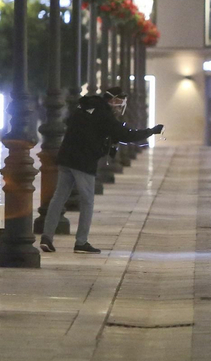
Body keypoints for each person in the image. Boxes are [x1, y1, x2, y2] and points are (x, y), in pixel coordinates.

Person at [40, 87, 162, 254]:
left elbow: (72, 124)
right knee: (87, 201)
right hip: (83, 162)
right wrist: (151, 131)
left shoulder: (84, 107)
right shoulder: (104, 115)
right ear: (111, 100)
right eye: (118, 103)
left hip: (66, 158)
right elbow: (126, 134)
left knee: (59, 198)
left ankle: (47, 237)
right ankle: (81, 242)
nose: (119, 107)